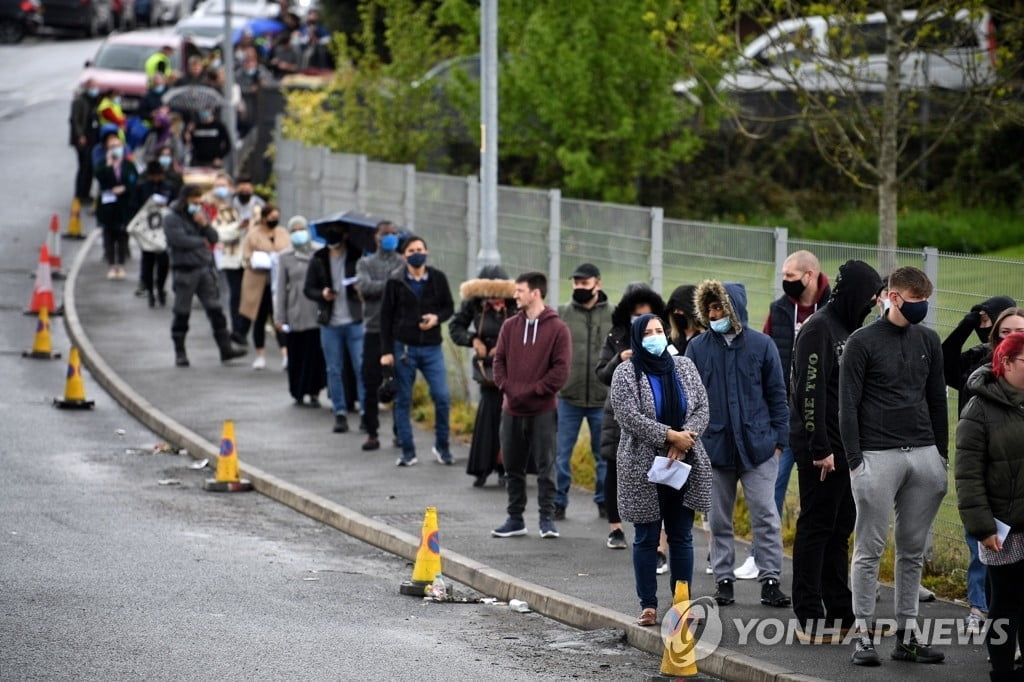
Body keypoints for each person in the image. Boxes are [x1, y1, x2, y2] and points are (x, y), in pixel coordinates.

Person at [839, 265, 948, 666]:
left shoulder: (929, 340)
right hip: (876, 455)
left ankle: (908, 636)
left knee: (912, 550)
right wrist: (855, 462)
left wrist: (941, 456)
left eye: (926, 301)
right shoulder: (861, 341)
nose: (923, 309)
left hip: (922, 453)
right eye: (917, 302)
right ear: (895, 297)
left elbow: (937, 398)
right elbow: (846, 404)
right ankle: (863, 637)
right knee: (869, 550)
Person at [789, 260, 882, 642]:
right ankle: (809, 615)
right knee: (816, 527)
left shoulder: (849, 327)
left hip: (846, 446)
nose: (874, 303)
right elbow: (808, 394)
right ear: (856, 293)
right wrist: (820, 448)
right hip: (821, 449)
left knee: (840, 528)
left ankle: (841, 611)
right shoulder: (819, 329)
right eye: (871, 295)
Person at [685, 280, 791, 609]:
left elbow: (778, 395)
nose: (714, 314)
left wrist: (779, 442)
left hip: (759, 448)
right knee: (718, 519)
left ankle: (770, 579)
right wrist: (694, 440)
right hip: (714, 449)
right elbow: (688, 398)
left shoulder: (762, 346)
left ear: (734, 309)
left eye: (720, 307)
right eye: (710, 308)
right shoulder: (698, 348)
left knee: (765, 514)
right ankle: (724, 579)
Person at [611, 313, 712, 626]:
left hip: (682, 461)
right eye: (648, 333)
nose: (655, 336)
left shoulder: (683, 366)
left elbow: (701, 408)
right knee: (647, 536)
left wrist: (684, 441)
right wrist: (670, 436)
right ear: (638, 339)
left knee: (681, 535)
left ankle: (682, 602)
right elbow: (628, 416)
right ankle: (649, 604)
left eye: (659, 331)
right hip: (642, 465)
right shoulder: (626, 372)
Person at [942, 294, 1016, 634]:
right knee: (981, 546)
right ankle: (979, 608)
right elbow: (943, 365)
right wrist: (967, 324)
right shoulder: (977, 363)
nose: (1009, 337)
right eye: (1002, 330)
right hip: (983, 468)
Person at [956, 332, 1024, 682]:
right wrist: (982, 527)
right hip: (1003, 528)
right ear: (1007, 363)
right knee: (1006, 603)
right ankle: (1001, 671)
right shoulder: (979, 408)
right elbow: (968, 473)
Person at [491, 272, 572, 538]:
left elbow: (561, 369)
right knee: (512, 467)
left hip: (542, 411)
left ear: (535, 293)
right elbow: (499, 362)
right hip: (511, 409)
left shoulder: (558, 329)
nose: (515, 295)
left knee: (545, 467)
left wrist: (534, 391)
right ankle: (515, 518)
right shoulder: (509, 327)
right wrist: (508, 388)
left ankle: (546, 519)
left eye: (519, 290)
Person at [596, 283, 666, 550]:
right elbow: (601, 373)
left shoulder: (660, 337)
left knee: (656, 476)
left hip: (655, 417)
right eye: (636, 316)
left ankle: (657, 539)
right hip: (616, 415)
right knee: (613, 470)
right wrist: (619, 358)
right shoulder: (616, 336)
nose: (641, 322)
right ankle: (615, 528)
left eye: (646, 315)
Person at [764, 250, 831, 527]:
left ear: (809, 275)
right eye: (783, 276)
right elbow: (766, 356)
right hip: (783, 416)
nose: (785, 281)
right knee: (771, 486)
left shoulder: (833, 309)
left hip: (821, 420)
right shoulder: (779, 310)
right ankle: (762, 556)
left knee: (818, 496)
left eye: (790, 276)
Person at [379, 236, 455, 466]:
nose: (416, 253)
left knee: (442, 397)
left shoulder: (438, 278)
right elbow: (386, 317)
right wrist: (386, 351)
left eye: (420, 249)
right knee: (403, 400)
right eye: (411, 250)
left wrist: (436, 318)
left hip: (432, 347)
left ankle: (442, 447)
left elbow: (449, 307)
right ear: (404, 256)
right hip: (404, 348)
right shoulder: (395, 281)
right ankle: (408, 451)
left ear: (427, 251)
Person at [162, 184, 247, 367]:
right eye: (195, 200)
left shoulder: (199, 216)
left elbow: (214, 238)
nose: (198, 204)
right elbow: (178, 240)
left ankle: (226, 349)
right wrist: (201, 241)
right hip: (184, 270)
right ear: (185, 199)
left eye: (200, 200)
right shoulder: (172, 219)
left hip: (204, 268)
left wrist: (205, 225)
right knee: (182, 312)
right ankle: (180, 352)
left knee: (215, 310)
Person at [449, 265, 516, 487]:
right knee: (489, 417)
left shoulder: (515, 304)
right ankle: (483, 466)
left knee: (511, 417)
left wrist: (505, 347)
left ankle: (507, 466)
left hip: (513, 368)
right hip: (487, 370)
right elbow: (455, 326)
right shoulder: (475, 304)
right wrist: (472, 340)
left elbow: (528, 329)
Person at [554, 263, 611, 521]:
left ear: (597, 284)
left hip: (602, 397)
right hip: (569, 396)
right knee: (561, 454)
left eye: (584, 283)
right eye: (576, 283)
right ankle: (557, 502)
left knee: (604, 455)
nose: (579, 288)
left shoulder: (613, 314)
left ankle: (604, 500)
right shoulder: (563, 313)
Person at [303, 220, 365, 434]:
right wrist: (322, 294)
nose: (333, 236)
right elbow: (308, 289)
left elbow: (366, 284)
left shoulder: (357, 257)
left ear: (346, 235)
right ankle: (339, 412)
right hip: (330, 322)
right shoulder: (319, 259)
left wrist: (359, 290)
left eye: (337, 232)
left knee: (360, 366)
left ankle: (366, 413)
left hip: (354, 320)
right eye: (330, 232)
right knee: (334, 369)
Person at [354, 221, 405, 451]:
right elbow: (364, 287)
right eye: (386, 234)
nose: (390, 238)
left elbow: (402, 290)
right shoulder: (365, 262)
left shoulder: (402, 262)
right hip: (373, 329)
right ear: (376, 237)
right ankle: (372, 431)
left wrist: (381, 287)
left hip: (397, 331)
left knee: (398, 381)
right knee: (371, 379)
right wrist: (390, 284)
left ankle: (399, 432)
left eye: (394, 234)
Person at [275, 216, 326, 407]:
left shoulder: (319, 252)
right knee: (297, 352)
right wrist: (280, 316)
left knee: (314, 354)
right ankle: (298, 391)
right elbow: (280, 288)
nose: (298, 233)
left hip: (315, 309)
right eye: (294, 230)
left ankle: (314, 391)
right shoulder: (285, 257)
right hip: (295, 310)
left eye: (301, 229)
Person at [239, 204, 290, 370]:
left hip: (278, 283)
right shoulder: (253, 235)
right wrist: (261, 258)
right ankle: (260, 355)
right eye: (272, 217)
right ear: (264, 218)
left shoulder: (282, 233)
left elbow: (288, 252)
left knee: (279, 319)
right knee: (259, 319)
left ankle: (285, 355)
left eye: (277, 217)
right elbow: (246, 256)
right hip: (258, 282)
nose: (274, 220)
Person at [203, 173, 245, 342]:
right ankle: (221, 324)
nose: (220, 189)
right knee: (218, 288)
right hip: (211, 251)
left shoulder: (236, 206)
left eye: (224, 185)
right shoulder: (206, 205)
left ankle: (233, 326)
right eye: (217, 185)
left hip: (232, 253)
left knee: (232, 291)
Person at [130, 160, 175, 307]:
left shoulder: (169, 187)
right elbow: (134, 205)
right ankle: (150, 290)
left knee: (164, 263)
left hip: (163, 230)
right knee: (147, 262)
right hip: (147, 231)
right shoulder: (142, 188)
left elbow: (175, 204)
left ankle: (161, 288)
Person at [95, 134, 138, 280]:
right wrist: (109, 166)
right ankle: (111, 264)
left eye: (118, 146)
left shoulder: (128, 164)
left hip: (124, 206)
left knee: (122, 236)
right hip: (108, 206)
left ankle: (120, 263)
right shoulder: (103, 164)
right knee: (109, 236)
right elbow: (100, 179)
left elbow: (134, 181)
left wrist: (125, 188)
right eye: (112, 147)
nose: (115, 149)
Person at [70, 80, 101, 205]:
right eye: (93, 87)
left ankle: (86, 194)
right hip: (83, 139)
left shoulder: (96, 100)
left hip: (93, 138)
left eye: (96, 86)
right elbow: (75, 120)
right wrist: (80, 135)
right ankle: (80, 194)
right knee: (84, 167)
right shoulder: (80, 101)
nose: (95, 89)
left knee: (90, 168)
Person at [665, 284, 704, 355]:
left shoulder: (705, 339)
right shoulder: (668, 339)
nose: (676, 312)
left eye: (680, 309)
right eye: (674, 309)